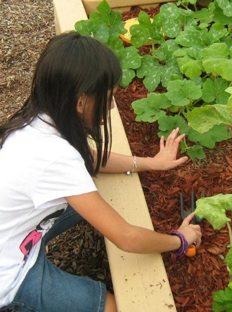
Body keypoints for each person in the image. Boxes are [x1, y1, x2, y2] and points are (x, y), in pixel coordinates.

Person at [0, 32, 202, 312]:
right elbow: (126, 238)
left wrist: (148, 162)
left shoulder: (38, 120)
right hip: (9, 277)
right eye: (107, 99)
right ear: (81, 102)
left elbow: (89, 159)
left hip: (15, 235)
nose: (111, 106)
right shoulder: (56, 158)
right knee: (110, 308)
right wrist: (179, 240)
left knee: (93, 196)